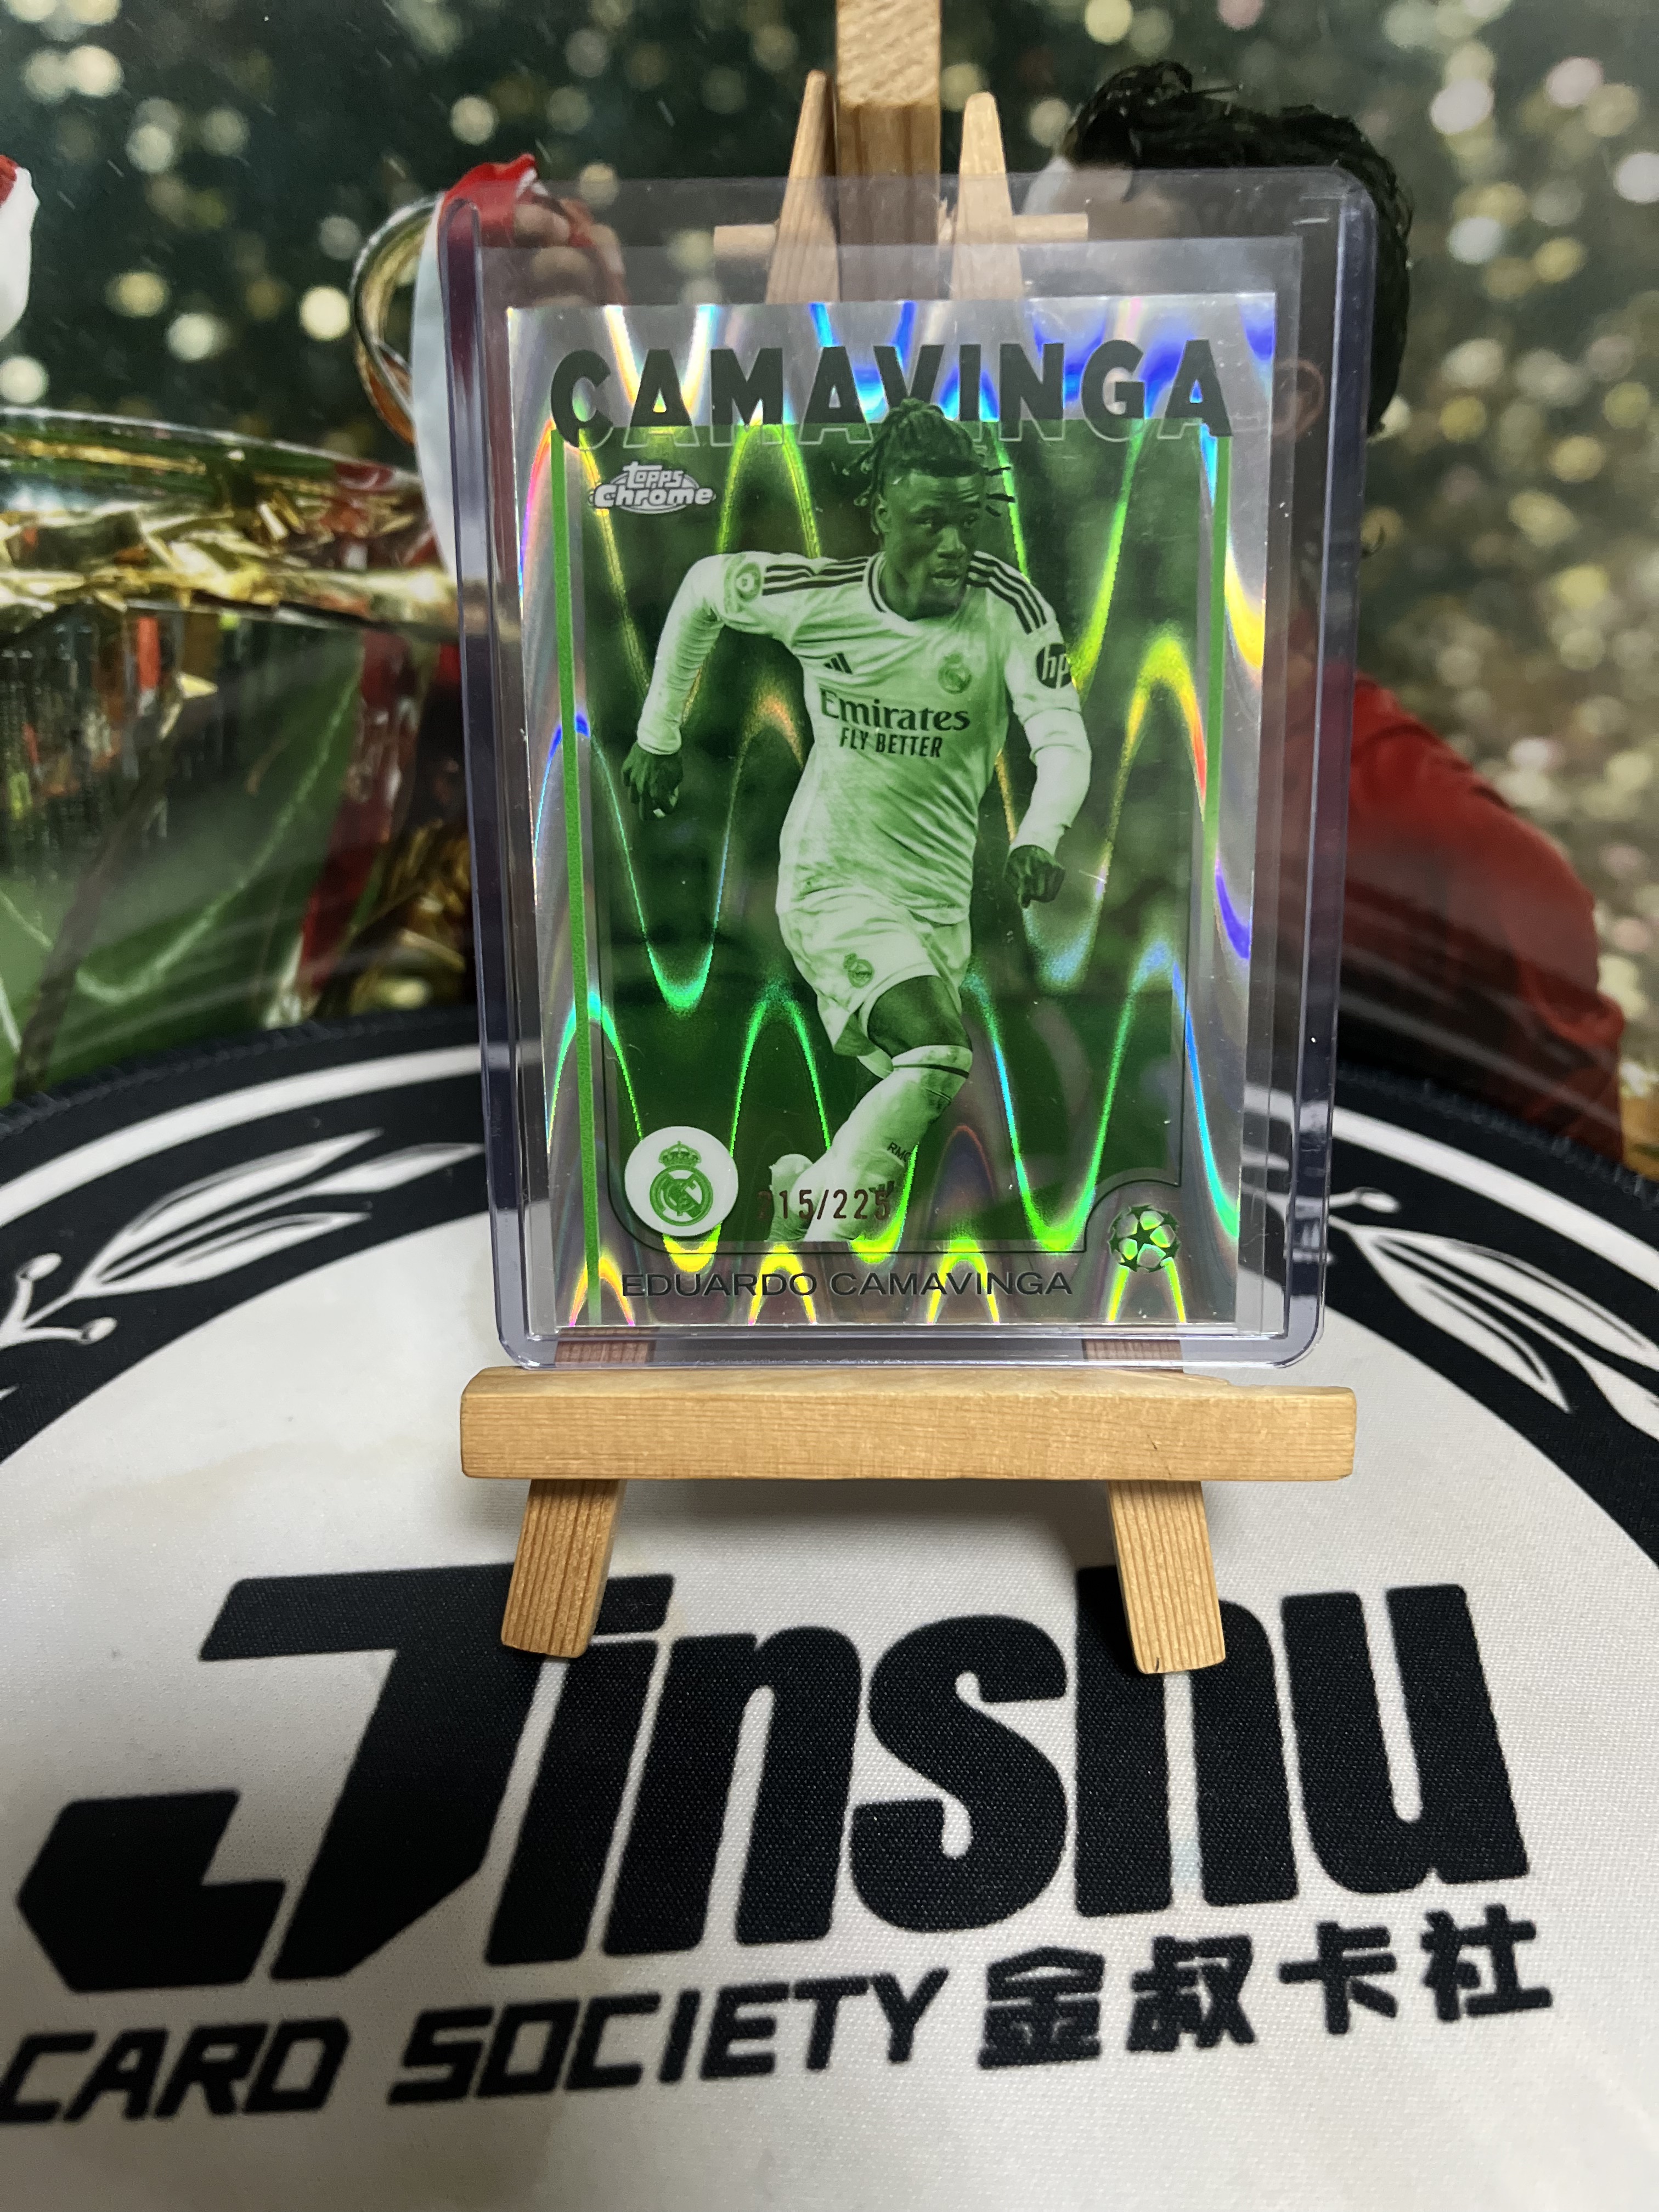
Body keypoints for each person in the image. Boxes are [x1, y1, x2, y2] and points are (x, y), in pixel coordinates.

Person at [1050, 62, 1626, 1160]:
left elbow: (1546, 1251)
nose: (1012, 348)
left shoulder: (1447, 870)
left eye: (1080, 308)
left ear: (1281, 394)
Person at [620, 398, 1093, 1242]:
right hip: (830, 882)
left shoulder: (1009, 609)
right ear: (881, 514)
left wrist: (1039, 834)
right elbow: (704, 590)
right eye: (930, 521)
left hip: (937, 903)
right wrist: (659, 736)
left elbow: (1061, 738)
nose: (953, 544)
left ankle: (812, 1199)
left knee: (920, 1084)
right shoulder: (823, 599)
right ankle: (819, 1229)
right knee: (937, 1053)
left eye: (968, 522)